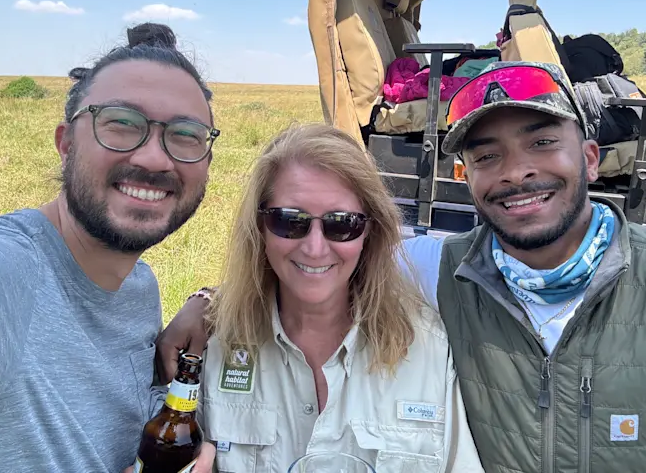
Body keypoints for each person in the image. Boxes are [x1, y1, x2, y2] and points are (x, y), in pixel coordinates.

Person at [158, 60, 646, 472]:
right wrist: (208, 302)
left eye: (542, 143)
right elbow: (308, 267)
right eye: (487, 155)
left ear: (589, 157)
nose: (516, 173)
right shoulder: (435, 269)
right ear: (464, 176)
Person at [0, 23, 216, 472]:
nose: (154, 158)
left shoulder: (139, 286)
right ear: (66, 143)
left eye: (186, 134)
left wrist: (208, 300)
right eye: (121, 123)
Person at [190, 122, 484, 472]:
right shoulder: (211, 343)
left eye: (341, 224)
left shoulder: (427, 347)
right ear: (259, 227)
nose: (315, 248)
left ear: (369, 232)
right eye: (290, 221)